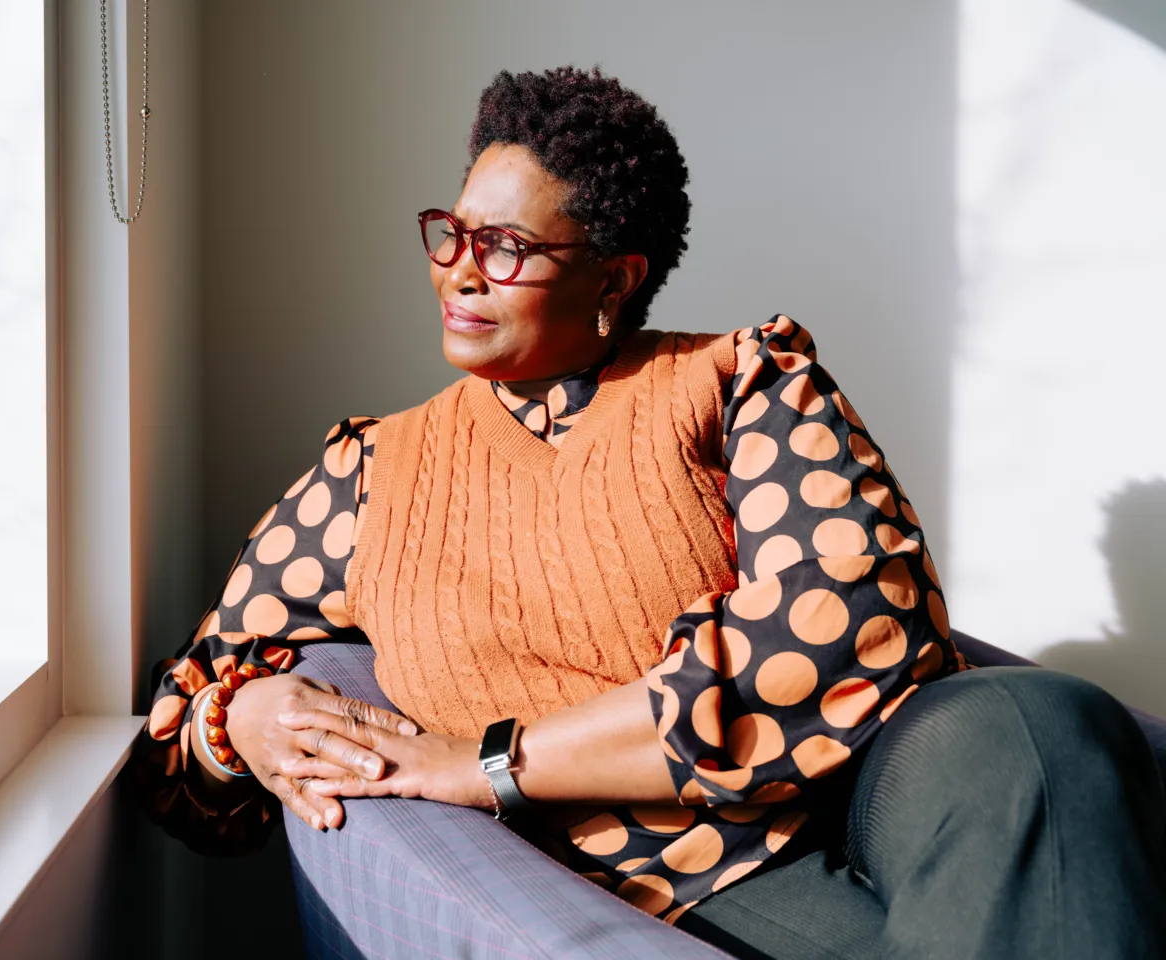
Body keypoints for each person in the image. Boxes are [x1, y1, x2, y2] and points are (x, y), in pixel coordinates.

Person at [133, 66, 1166, 958]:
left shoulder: (740, 381)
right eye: (451, 233)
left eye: (504, 246)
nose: (459, 270)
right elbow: (186, 735)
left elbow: (857, 625)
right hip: (684, 884)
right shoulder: (368, 477)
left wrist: (491, 764)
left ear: (613, 279)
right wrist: (241, 723)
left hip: (877, 797)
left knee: (1038, 720)